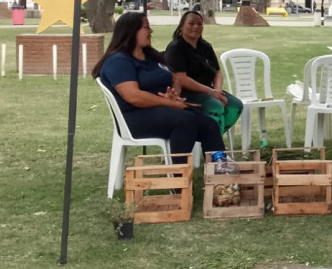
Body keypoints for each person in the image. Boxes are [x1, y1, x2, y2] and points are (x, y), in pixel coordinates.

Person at [93, 13, 225, 163]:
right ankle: (178, 180)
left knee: (209, 125)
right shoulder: (117, 61)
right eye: (146, 27)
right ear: (131, 31)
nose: (150, 31)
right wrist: (170, 103)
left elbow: (174, 77)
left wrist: (174, 94)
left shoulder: (150, 57)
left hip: (162, 110)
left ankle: (220, 173)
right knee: (186, 121)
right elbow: (133, 96)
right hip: (134, 117)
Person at [164, 10, 243, 135]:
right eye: (191, 23)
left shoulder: (205, 46)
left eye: (199, 24)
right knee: (215, 106)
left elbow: (217, 72)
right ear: (181, 26)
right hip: (186, 93)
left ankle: (213, 139)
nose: (196, 27)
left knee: (235, 105)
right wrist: (210, 92)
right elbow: (181, 79)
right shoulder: (176, 48)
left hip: (208, 90)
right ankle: (214, 149)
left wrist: (217, 90)